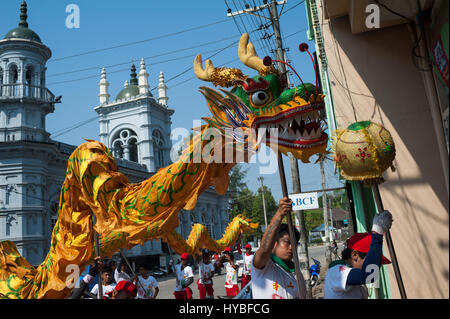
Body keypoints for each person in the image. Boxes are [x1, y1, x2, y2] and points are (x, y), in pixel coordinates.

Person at [324, 210, 393, 299]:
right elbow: (370, 275)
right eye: (370, 260)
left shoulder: (356, 279)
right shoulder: (336, 272)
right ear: (355, 255)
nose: (376, 267)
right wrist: (377, 234)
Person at [252, 197, 307, 299]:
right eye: (287, 242)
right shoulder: (263, 266)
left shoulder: (296, 272)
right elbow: (264, 250)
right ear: (274, 243)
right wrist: (280, 213)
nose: (291, 247)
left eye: (295, 244)